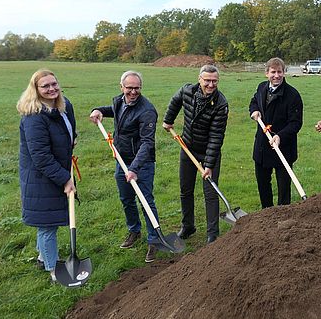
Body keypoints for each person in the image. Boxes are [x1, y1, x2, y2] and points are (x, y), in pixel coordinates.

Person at [89, 71, 160, 263]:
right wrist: (98, 110)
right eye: (129, 88)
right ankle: (134, 231)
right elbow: (113, 109)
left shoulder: (147, 111)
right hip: (122, 160)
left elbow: (147, 143)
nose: (133, 92)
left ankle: (154, 240)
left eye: (137, 88)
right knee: (126, 199)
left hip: (141, 163)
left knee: (146, 201)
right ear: (122, 87)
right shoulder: (120, 101)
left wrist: (134, 168)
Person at [18, 69, 76, 283]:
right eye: (45, 86)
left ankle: (43, 257)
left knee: (47, 219)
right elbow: (40, 157)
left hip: (57, 169)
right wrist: (65, 178)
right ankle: (54, 271)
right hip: (41, 177)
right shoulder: (34, 117)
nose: (51, 88)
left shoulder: (63, 105)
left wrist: (72, 140)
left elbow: (70, 128)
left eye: (54, 84)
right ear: (36, 89)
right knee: (47, 225)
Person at [162, 65, 228, 244]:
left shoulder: (221, 104)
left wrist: (209, 164)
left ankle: (212, 234)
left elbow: (216, 136)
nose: (211, 84)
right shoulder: (187, 91)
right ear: (199, 79)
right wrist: (168, 120)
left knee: (210, 192)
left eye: (214, 81)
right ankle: (188, 226)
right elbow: (175, 101)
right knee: (186, 189)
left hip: (209, 151)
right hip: (187, 147)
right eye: (207, 80)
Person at [250, 57, 303, 208]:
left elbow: (296, 123)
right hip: (262, 147)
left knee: (283, 188)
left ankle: (283, 217)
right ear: (266, 73)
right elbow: (254, 101)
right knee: (262, 183)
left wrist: (280, 136)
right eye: (273, 72)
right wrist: (254, 110)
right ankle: (266, 213)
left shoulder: (292, 95)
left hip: (284, 148)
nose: (277, 75)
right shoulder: (261, 88)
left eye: (280, 72)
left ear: (284, 73)